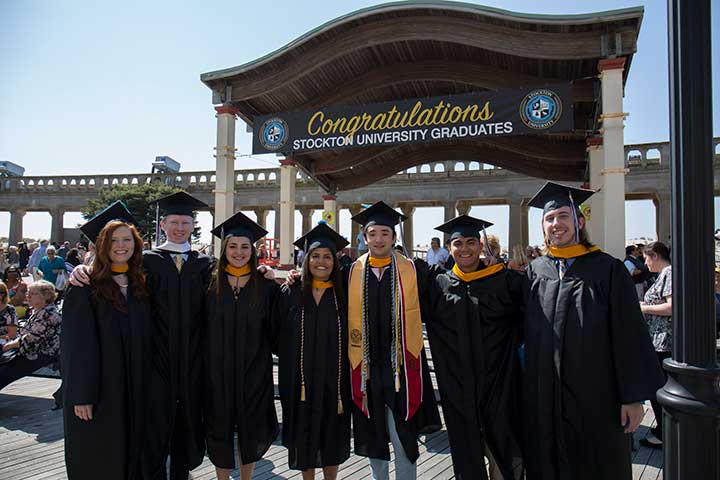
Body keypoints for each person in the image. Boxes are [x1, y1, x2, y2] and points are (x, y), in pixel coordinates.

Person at [523, 182, 664, 480]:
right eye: (549, 218)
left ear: (580, 221)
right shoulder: (536, 271)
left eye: (563, 215)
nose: (556, 224)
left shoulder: (607, 269)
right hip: (545, 395)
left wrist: (633, 398)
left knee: (595, 464)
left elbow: (629, 335)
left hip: (596, 395)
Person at [71, 191, 214, 480]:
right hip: (152, 364)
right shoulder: (146, 262)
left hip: (193, 363)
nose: (179, 228)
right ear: (163, 225)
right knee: (152, 431)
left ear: (192, 225)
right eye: (173, 221)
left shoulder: (206, 264)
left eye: (185, 222)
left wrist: (264, 271)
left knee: (187, 430)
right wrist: (82, 268)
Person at [422, 215, 525, 480]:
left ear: (481, 247)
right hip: (457, 384)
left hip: (499, 381)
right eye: (457, 243)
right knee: (465, 447)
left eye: (471, 242)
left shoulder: (505, 281)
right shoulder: (438, 284)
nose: (464, 248)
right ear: (449, 247)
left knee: (501, 444)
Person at [348, 201, 441, 480]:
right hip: (366, 368)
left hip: (402, 368)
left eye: (384, 234)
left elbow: (443, 294)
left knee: (403, 437)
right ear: (365, 238)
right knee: (374, 436)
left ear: (394, 238)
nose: (378, 239)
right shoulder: (351, 273)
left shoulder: (414, 270)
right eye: (373, 234)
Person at [61, 201, 153, 480]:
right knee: (100, 457)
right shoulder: (85, 286)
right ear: (102, 245)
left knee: (132, 454)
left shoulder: (141, 284)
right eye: (114, 240)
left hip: (134, 387)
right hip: (100, 390)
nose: (121, 245)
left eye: (127, 239)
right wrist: (81, 395)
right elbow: (76, 347)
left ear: (136, 244)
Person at [204, 212, 279, 480]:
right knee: (219, 428)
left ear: (253, 250)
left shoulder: (266, 286)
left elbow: (277, 330)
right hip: (216, 372)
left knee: (251, 428)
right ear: (224, 249)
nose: (238, 252)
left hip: (254, 371)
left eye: (245, 247)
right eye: (233, 246)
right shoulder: (209, 283)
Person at [273, 223, 351, 480]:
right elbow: (275, 336)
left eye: (327, 256)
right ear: (305, 260)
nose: (321, 262)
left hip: (335, 381)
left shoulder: (345, 294)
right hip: (300, 382)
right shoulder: (290, 292)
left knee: (331, 434)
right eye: (315, 256)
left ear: (335, 260)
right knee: (304, 435)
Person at [638, 241, 673, 449]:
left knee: (656, 387)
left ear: (655, 256)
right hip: (658, 340)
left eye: (646, 257)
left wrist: (644, 308)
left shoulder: (668, 273)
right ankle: (662, 428)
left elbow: (671, 307)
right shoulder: (666, 274)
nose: (645, 262)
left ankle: (663, 432)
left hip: (662, 341)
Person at [0, 280, 61, 391]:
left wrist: (5, 346)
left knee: (3, 373)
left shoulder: (48, 314)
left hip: (39, 354)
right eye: (27, 293)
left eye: (32, 293)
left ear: (45, 296)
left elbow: (30, 340)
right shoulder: (39, 311)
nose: (28, 296)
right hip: (28, 351)